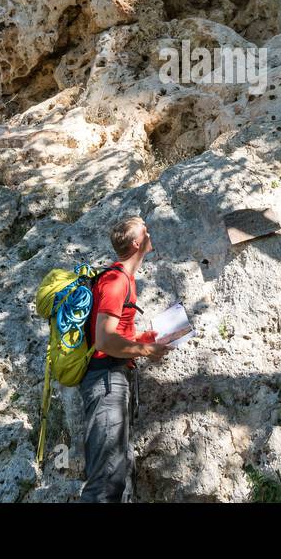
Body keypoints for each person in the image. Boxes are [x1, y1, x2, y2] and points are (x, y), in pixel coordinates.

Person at [79, 215, 169, 502]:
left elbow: (111, 333)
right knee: (105, 480)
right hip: (105, 380)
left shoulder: (124, 280)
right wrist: (145, 352)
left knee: (117, 471)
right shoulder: (117, 282)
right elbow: (104, 340)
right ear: (136, 243)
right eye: (146, 230)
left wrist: (143, 339)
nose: (150, 232)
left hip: (112, 378)